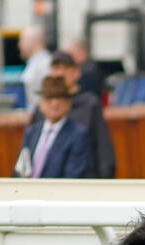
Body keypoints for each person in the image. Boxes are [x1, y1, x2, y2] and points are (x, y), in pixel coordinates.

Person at [30, 51, 116, 179]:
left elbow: (103, 148)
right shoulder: (42, 108)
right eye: (56, 68)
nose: (60, 73)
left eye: (66, 68)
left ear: (77, 72)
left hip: (84, 180)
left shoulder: (89, 104)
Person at [15, 76, 90, 179]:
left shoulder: (78, 135)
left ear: (69, 103)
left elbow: (72, 176)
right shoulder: (31, 132)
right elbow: (20, 169)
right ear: (41, 104)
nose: (55, 103)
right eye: (49, 98)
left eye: (60, 97)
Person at [19, 26, 52, 112]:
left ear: (34, 42)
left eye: (22, 40)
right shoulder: (33, 63)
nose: (19, 46)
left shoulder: (46, 64)